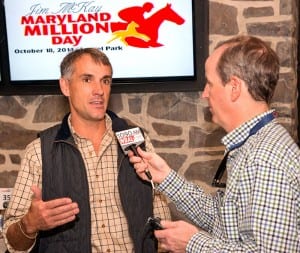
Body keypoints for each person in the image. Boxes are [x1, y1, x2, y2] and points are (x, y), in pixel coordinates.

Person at [128, 35, 300, 252]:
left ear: (234, 87)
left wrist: (193, 243)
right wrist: (166, 177)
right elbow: (224, 219)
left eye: (210, 83)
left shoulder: (265, 158)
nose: (204, 94)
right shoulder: (251, 145)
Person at [3, 48, 171, 253]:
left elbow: (162, 221)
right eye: (87, 79)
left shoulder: (138, 142)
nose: (99, 90)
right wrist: (29, 224)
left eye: (105, 80)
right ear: (65, 86)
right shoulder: (40, 152)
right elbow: (12, 244)